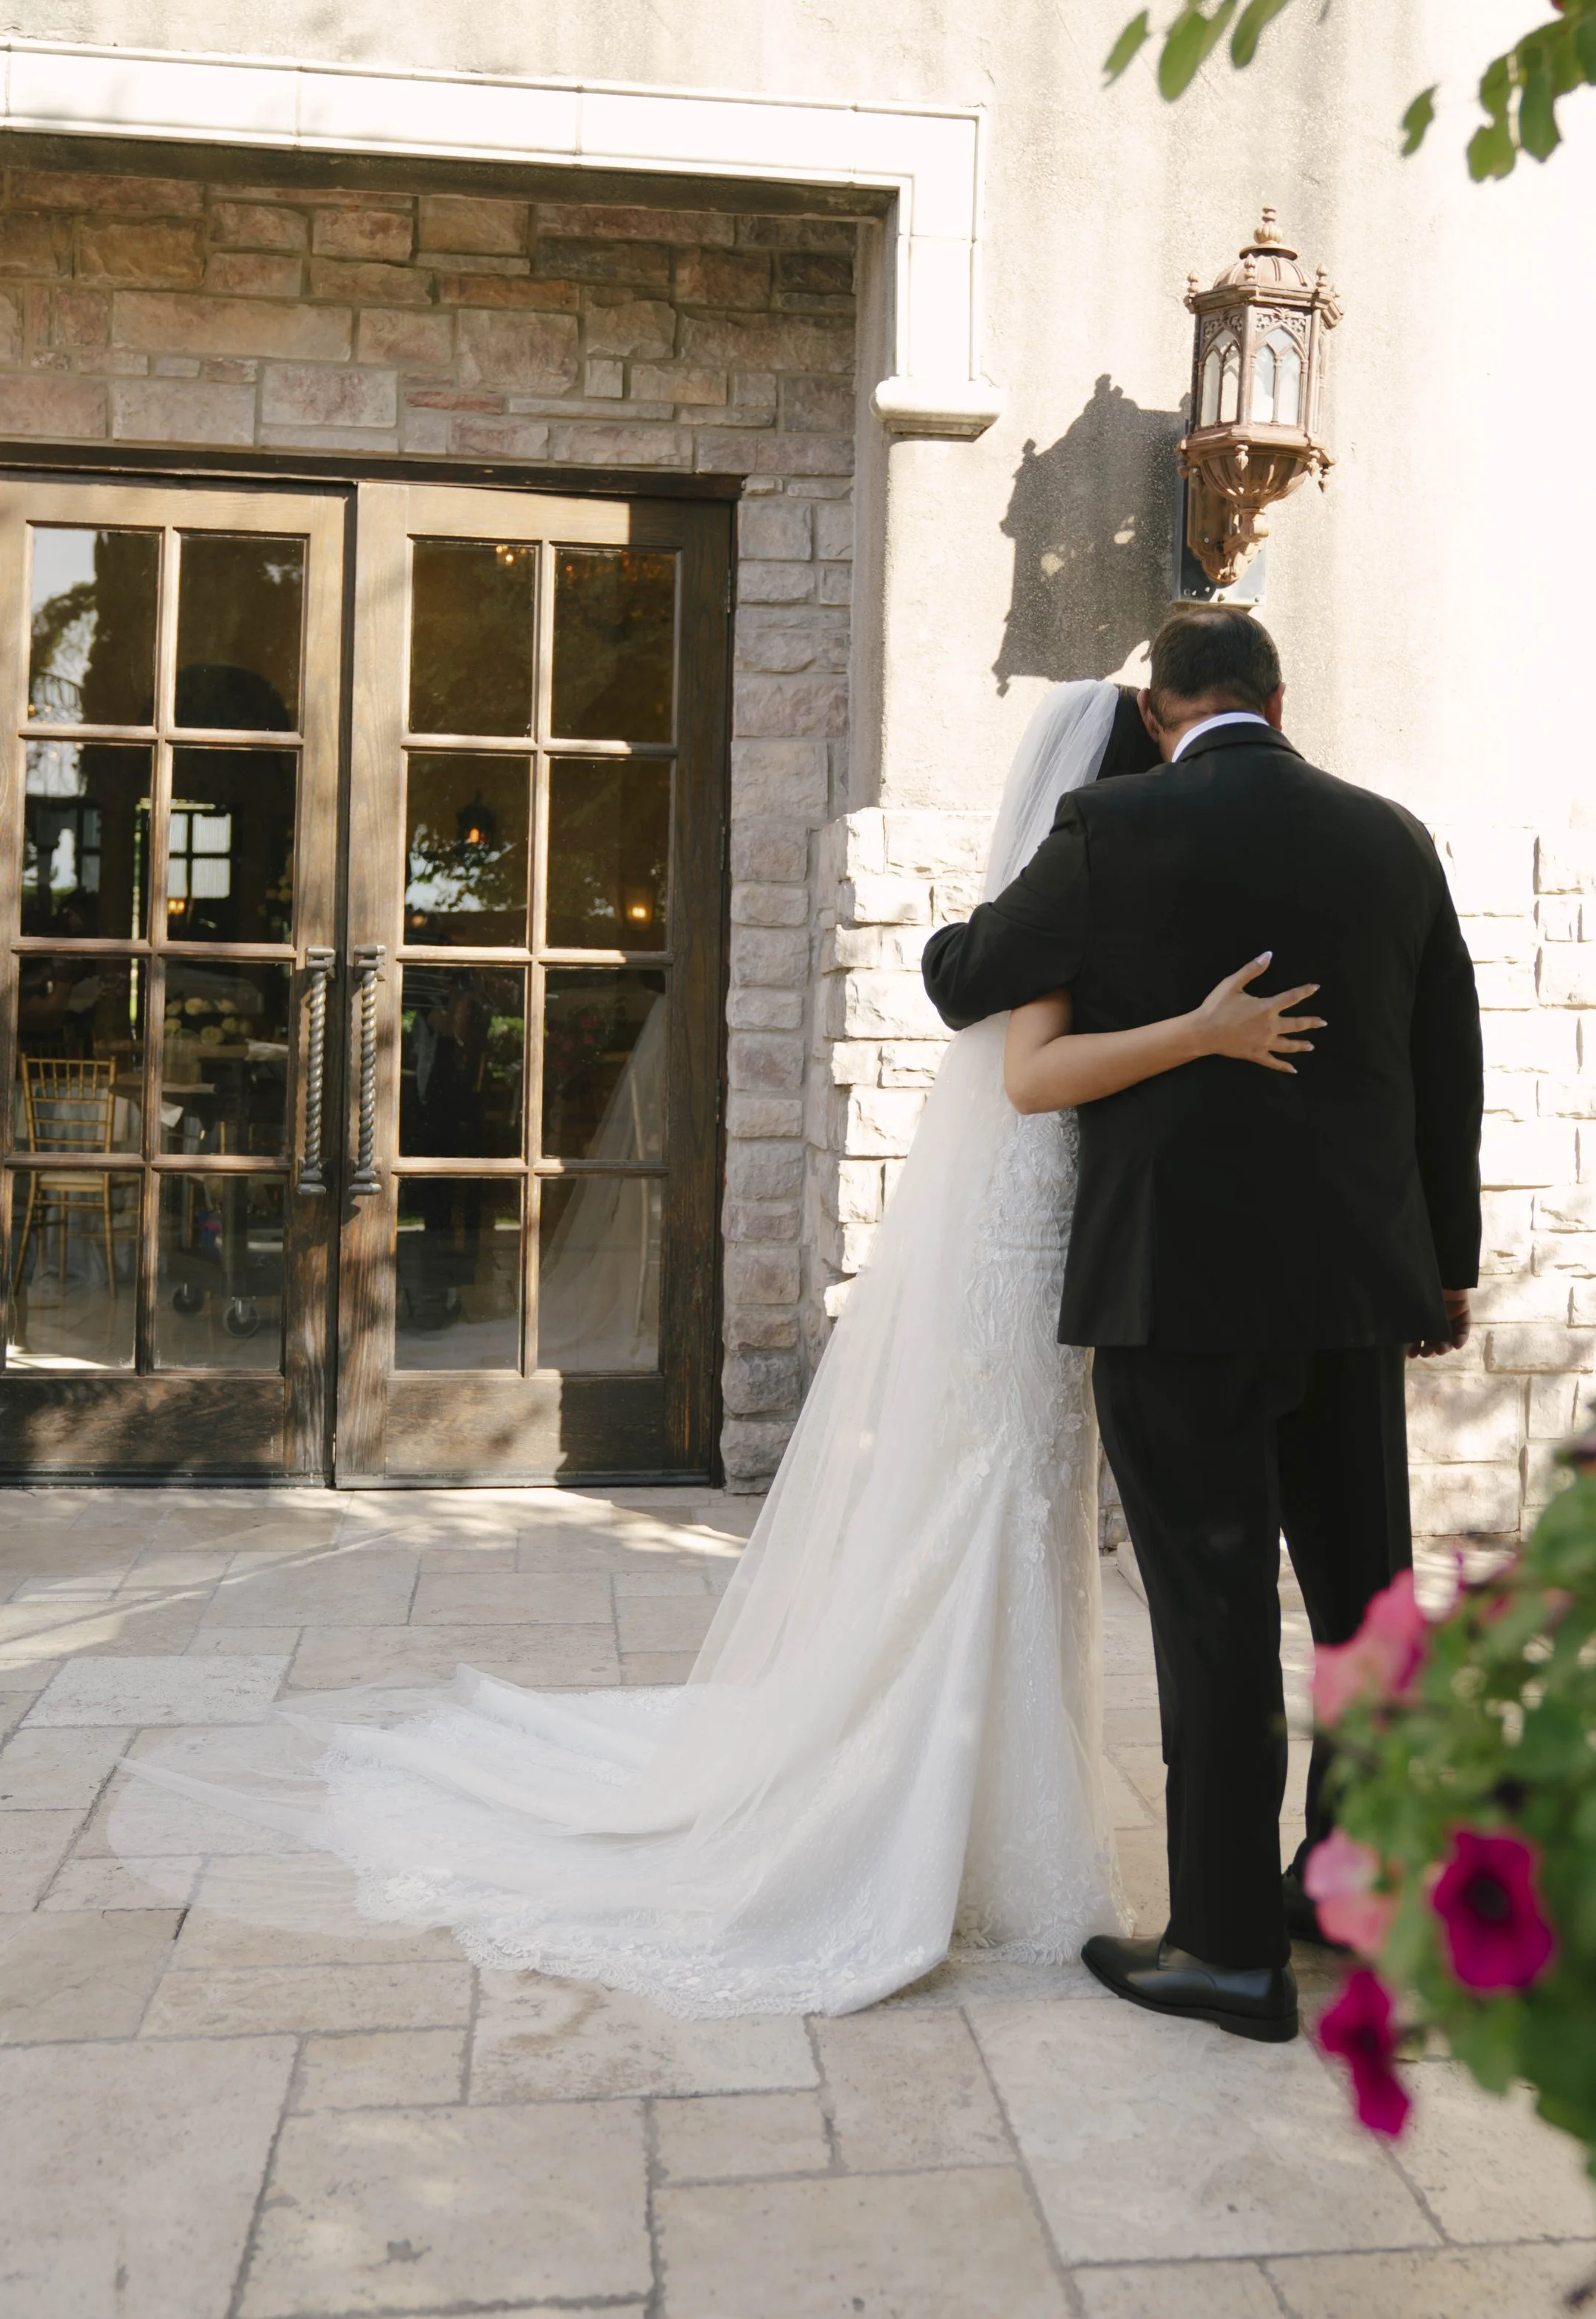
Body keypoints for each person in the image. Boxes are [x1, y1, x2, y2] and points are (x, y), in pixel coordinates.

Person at [119, 676, 1318, 2018]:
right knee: (994, 1507)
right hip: (1027, 1237)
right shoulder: (1083, 868)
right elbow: (1036, 1068)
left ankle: (1005, 1819)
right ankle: (936, 1832)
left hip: (1063, 1232)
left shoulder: (1119, 877)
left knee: (1024, 1519)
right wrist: (1205, 1034)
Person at [923, 606, 1483, 2046]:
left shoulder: (1115, 829)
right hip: (1357, 1293)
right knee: (1364, 1607)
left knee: (1212, 1608)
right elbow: (1444, 1073)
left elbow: (962, 981)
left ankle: (1227, 1950)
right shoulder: (1390, 839)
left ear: (1162, 710)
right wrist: (1447, 1272)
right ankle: (1344, 1900)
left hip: (1174, 1294)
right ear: (1276, 698)